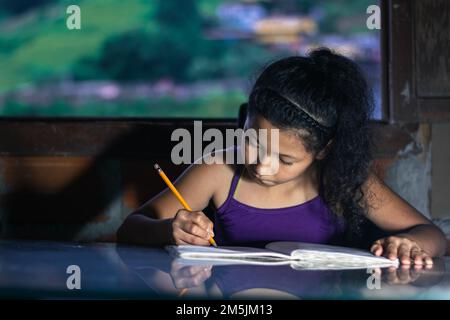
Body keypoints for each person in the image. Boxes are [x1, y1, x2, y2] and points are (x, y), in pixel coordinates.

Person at [117, 48, 446, 265]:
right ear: (244, 120)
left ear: (324, 150)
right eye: (252, 142)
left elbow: (432, 235)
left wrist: (409, 244)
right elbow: (132, 228)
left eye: (285, 160)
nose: (261, 166)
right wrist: (168, 231)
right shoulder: (218, 169)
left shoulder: (345, 179)